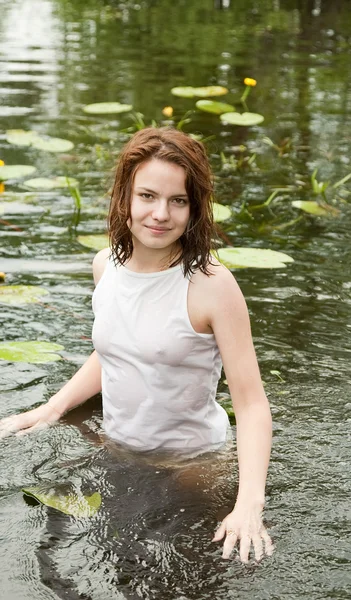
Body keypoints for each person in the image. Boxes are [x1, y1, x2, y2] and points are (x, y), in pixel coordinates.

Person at [0, 127, 273, 563]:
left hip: (190, 466)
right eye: (147, 196)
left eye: (178, 200)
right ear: (124, 196)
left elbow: (253, 402)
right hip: (117, 450)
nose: (160, 213)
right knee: (97, 561)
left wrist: (248, 507)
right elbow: (115, 350)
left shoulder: (212, 286)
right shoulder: (105, 265)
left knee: (174, 575)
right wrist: (51, 409)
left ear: (194, 208)